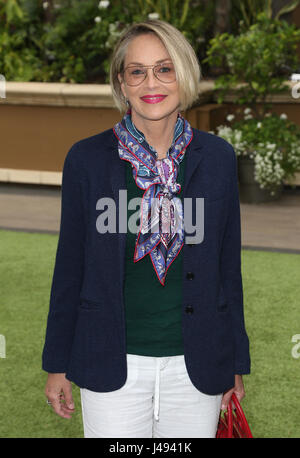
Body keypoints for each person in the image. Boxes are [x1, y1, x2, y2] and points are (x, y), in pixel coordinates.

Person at [42, 19, 251, 438]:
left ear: (183, 75)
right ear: (122, 82)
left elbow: (228, 269)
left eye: (164, 68)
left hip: (196, 365)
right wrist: (58, 364)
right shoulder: (86, 160)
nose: (151, 82)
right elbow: (70, 266)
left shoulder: (218, 158)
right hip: (111, 361)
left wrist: (234, 364)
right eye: (137, 71)